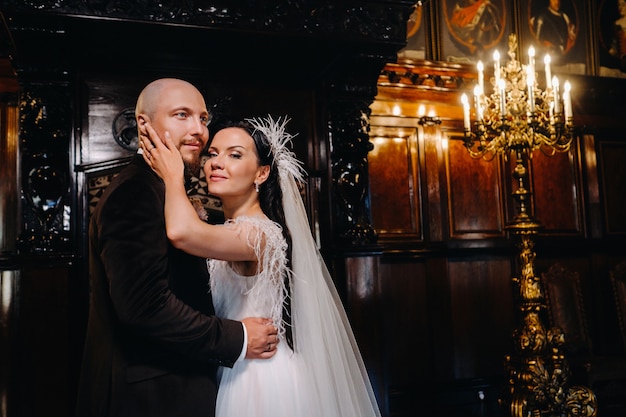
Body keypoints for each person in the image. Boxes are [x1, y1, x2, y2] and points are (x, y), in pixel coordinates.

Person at [139, 115, 382, 416]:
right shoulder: (227, 229)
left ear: (262, 173)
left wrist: (172, 175)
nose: (216, 162)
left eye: (235, 154)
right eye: (212, 154)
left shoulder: (260, 234)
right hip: (231, 360)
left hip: (258, 378)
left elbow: (180, 233)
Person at [75, 78, 279, 417]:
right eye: (182, 115)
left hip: (194, 382)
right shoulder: (136, 193)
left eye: (203, 118)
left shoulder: (167, 192)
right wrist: (237, 337)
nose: (199, 130)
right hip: (151, 394)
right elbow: (144, 306)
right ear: (144, 124)